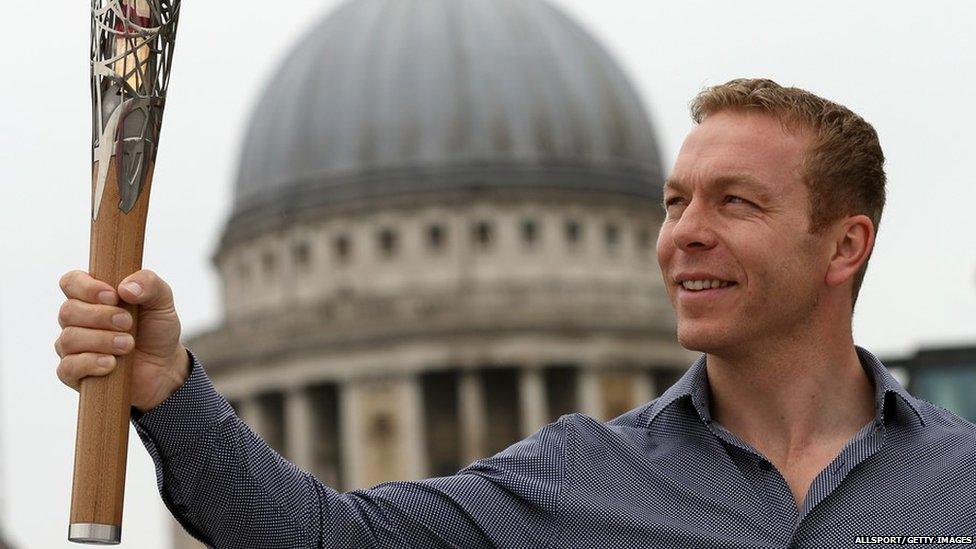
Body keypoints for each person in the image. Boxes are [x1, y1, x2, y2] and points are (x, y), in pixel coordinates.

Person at [55, 79, 976, 548]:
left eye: (734, 202)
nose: (684, 234)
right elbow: (324, 540)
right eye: (672, 201)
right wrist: (170, 390)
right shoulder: (579, 481)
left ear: (843, 247)